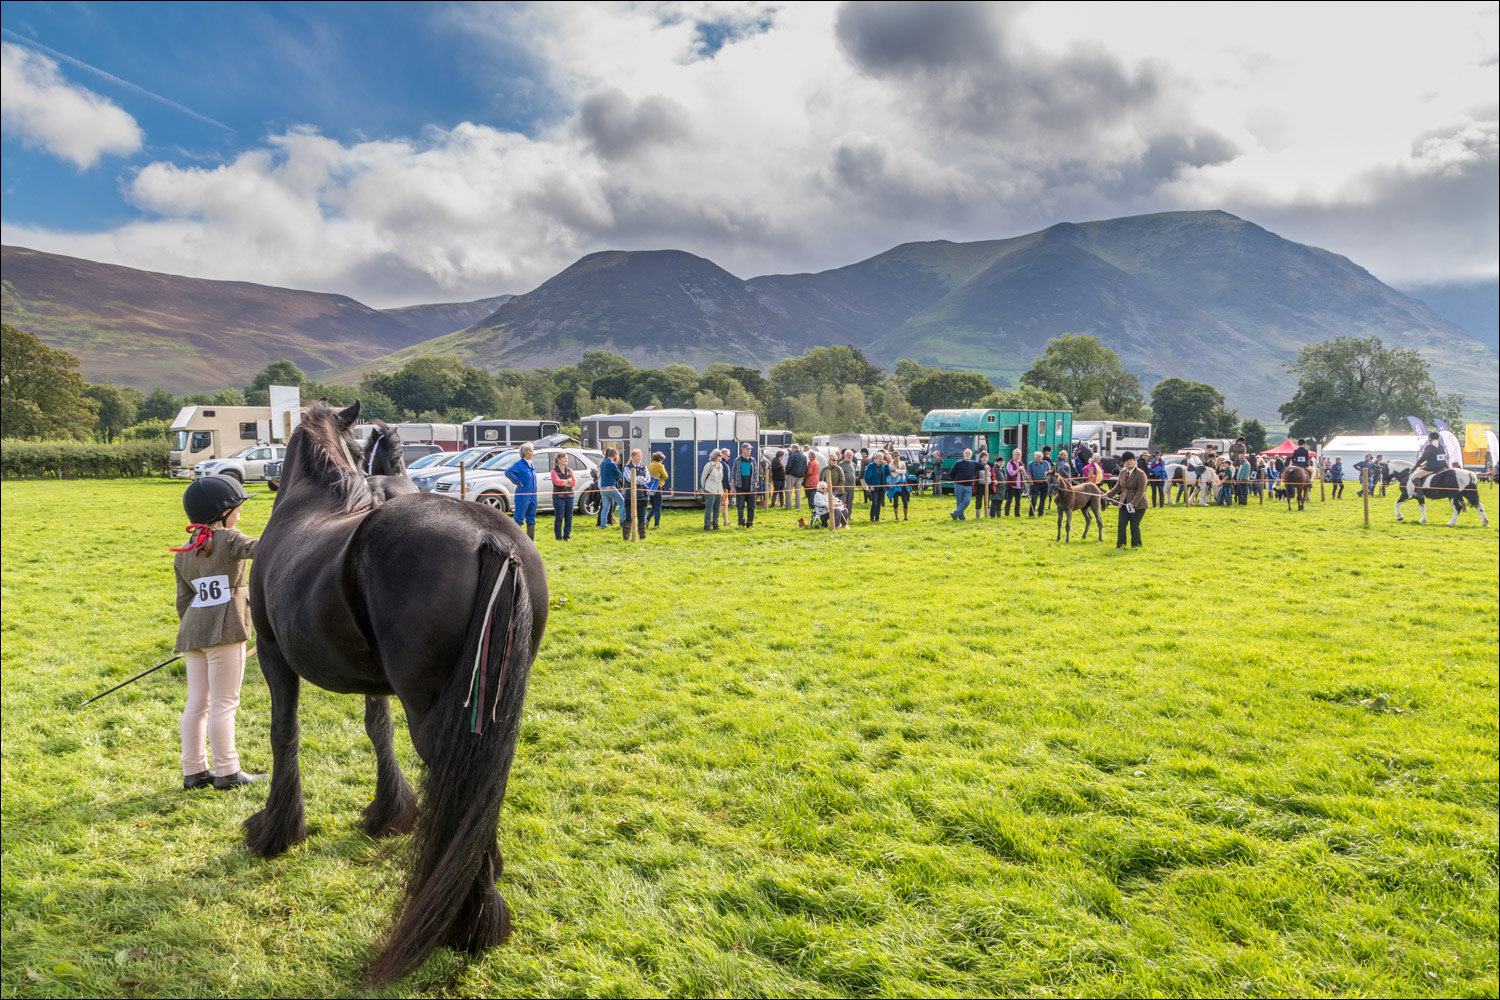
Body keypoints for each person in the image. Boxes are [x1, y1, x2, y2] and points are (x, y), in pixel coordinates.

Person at [171, 474, 264, 790]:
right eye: (237, 507)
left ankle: (194, 770)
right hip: (226, 631)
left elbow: (184, 602)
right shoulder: (229, 538)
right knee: (225, 702)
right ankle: (227, 771)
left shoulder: (185, 549)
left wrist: (195, 633)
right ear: (222, 512)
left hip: (192, 634)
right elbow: (262, 549)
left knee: (197, 703)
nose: (240, 513)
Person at [1107, 451, 1148, 548]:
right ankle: (1121, 545)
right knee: (1121, 524)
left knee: (1134, 526)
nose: (1129, 462)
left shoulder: (1140, 474)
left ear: (1134, 461)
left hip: (1139, 504)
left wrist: (1133, 503)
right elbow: (1118, 487)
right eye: (1127, 461)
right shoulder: (1122, 473)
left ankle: (1136, 545)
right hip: (1124, 503)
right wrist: (1107, 495)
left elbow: (1141, 490)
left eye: (1131, 460)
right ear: (1124, 463)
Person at [504, 443, 539, 540]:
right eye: (531, 451)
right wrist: (517, 481)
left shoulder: (531, 464)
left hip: (532, 495)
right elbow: (508, 472)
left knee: (531, 518)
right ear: (525, 453)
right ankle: (516, 540)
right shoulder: (519, 464)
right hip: (522, 495)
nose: (532, 453)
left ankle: (530, 541)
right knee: (519, 518)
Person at [620, 448, 651, 539]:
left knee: (642, 517)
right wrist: (640, 478)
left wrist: (639, 480)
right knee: (629, 517)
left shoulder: (644, 467)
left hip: (643, 496)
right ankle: (626, 537)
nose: (640, 458)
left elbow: (648, 479)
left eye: (641, 456)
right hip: (630, 496)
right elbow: (630, 479)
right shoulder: (627, 467)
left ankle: (642, 537)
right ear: (633, 457)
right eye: (638, 456)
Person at [733, 443, 760, 527]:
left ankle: (750, 523)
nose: (749, 451)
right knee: (740, 506)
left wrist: (756, 482)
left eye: (750, 449)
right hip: (740, 487)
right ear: (742, 449)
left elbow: (755, 473)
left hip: (751, 488)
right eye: (747, 449)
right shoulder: (737, 460)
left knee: (751, 507)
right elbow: (733, 475)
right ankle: (741, 523)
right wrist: (733, 487)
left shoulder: (753, 460)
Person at [550, 453, 576, 541]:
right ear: (558, 460)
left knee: (569, 518)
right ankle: (558, 537)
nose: (566, 459)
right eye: (564, 458)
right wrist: (567, 481)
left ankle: (567, 536)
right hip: (558, 497)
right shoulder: (554, 471)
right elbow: (557, 482)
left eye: (567, 458)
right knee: (559, 517)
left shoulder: (570, 470)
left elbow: (573, 483)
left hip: (570, 496)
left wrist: (565, 482)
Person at [597, 447, 623, 528]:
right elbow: (620, 475)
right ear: (615, 455)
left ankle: (603, 525)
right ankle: (622, 521)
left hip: (603, 488)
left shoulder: (603, 463)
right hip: (610, 487)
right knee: (622, 502)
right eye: (617, 455)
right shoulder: (612, 464)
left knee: (605, 508)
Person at [949, 448, 978, 520]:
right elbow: (951, 473)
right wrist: (957, 480)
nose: (967, 454)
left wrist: (987, 466)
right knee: (959, 502)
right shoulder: (958, 463)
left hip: (969, 486)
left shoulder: (974, 463)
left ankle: (955, 514)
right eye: (966, 453)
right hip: (959, 485)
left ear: (971, 455)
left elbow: (982, 465)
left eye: (969, 453)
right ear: (963, 454)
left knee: (967, 501)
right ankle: (962, 517)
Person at [701, 449, 724, 530]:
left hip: (719, 490)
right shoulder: (709, 465)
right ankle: (706, 525)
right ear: (715, 456)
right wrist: (705, 488)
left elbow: (721, 479)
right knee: (709, 508)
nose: (721, 457)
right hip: (710, 489)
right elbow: (703, 478)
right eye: (720, 455)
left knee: (717, 508)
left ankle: (715, 524)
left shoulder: (721, 466)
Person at [864, 450, 890, 521]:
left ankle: (877, 517)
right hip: (874, 488)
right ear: (876, 459)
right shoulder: (871, 466)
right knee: (874, 503)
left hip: (882, 487)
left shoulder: (883, 466)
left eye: (882, 458)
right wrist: (870, 485)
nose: (881, 460)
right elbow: (866, 477)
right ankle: (872, 517)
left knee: (879, 503)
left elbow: (888, 474)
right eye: (880, 458)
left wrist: (886, 465)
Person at [647, 450, 669, 527]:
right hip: (657, 487)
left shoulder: (650, 465)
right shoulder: (660, 466)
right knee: (658, 507)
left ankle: (647, 520)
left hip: (650, 488)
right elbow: (666, 476)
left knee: (653, 506)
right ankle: (656, 524)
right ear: (660, 459)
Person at [1027, 451, 1050, 517]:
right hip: (1035, 484)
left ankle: (1040, 514)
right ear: (1035, 457)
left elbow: (1049, 472)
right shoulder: (1031, 464)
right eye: (1038, 457)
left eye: (1041, 457)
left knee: (1043, 500)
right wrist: (1031, 482)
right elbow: (1029, 474)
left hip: (1044, 483)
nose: (1040, 458)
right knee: (1034, 499)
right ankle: (1031, 514)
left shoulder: (1046, 463)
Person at [888, 449, 910, 520]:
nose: (897, 457)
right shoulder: (890, 464)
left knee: (905, 501)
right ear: (893, 457)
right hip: (895, 484)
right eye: (895, 455)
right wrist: (899, 471)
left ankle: (905, 517)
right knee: (895, 501)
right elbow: (893, 475)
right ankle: (896, 517)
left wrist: (895, 470)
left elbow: (904, 472)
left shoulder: (902, 463)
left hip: (902, 483)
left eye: (898, 455)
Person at [784, 444, 807, 509]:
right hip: (800, 476)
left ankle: (788, 505)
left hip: (792, 475)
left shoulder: (792, 456)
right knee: (798, 492)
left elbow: (789, 465)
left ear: (794, 448)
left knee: (789, 491)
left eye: (792, 449)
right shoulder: (804, 457)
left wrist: (787, 473)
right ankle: (798, 505)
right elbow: (805, 466)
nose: (791, 450)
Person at [1004, 449, 1026, 517]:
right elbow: (1011, 473)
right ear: (1013, 455)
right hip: (1012, 485)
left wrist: (1022, 470)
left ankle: (1017, 514)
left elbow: (1024, 474)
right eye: (1016, 454)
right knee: (1009, 500)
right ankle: (1007, 513)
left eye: (1019, 454)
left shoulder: (1021, 463)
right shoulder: (1009, 463)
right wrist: (1018, 469)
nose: (1017, 456)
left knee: (1018, 501)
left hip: (1019, 485)